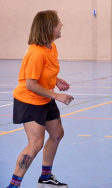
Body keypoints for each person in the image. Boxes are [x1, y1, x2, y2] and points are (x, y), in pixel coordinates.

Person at [8, 10, 74, 188]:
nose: (61, 25)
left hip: (44, 97)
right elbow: (30, 84)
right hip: (29, 100)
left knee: (57, 134)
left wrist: (56, 80)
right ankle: (13, 185)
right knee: (36, 143)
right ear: (49, 28)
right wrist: (56, 95)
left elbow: (45, 72)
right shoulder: (36, 53)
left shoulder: (51, 46)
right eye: (58, 22)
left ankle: (45, 178)